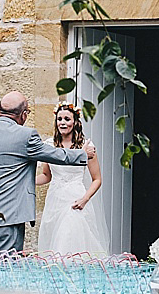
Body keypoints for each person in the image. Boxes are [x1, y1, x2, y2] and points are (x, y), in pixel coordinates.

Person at [0, 91, 95, 258]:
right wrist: (82, 154)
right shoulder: (25, 136)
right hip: (8, 214)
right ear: (23, 115)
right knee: (4, 269)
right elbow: (56, 155)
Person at [35, 103, 110, 256]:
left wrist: (84, 199)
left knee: (70, 237)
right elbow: (46, 176)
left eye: (67, 119)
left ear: (75, 122)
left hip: (76, 199)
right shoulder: (49, 145)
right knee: (53, 241)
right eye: (59, 119)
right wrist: (26, 181)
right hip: (55, 199)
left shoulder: (86, 146)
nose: (62, 122)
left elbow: (97, 179)